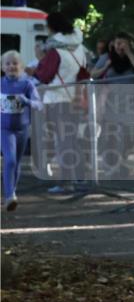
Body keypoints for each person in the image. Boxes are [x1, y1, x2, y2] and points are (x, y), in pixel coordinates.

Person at [31, 12, 89, 194]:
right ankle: (80, 178)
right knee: (72, 140)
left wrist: (39, 61)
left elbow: (44, 76)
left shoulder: (54, 50)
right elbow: (84, 73)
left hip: (57, 100)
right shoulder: (80, 48)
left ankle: (66, 182)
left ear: (52, 27)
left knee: (62, 142)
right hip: (75, 98)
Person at [1, 51, 42, 211]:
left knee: (17, 163)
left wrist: (27, 101)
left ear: (21, 67)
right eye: (8, 63)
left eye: (15, 63)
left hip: (22, 129)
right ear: (3, 67)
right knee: (9, 160)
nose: (12, 66)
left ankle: (12, 193)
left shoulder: (27, 84)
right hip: (4, 128)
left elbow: (39, 105)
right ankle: (9, 196)